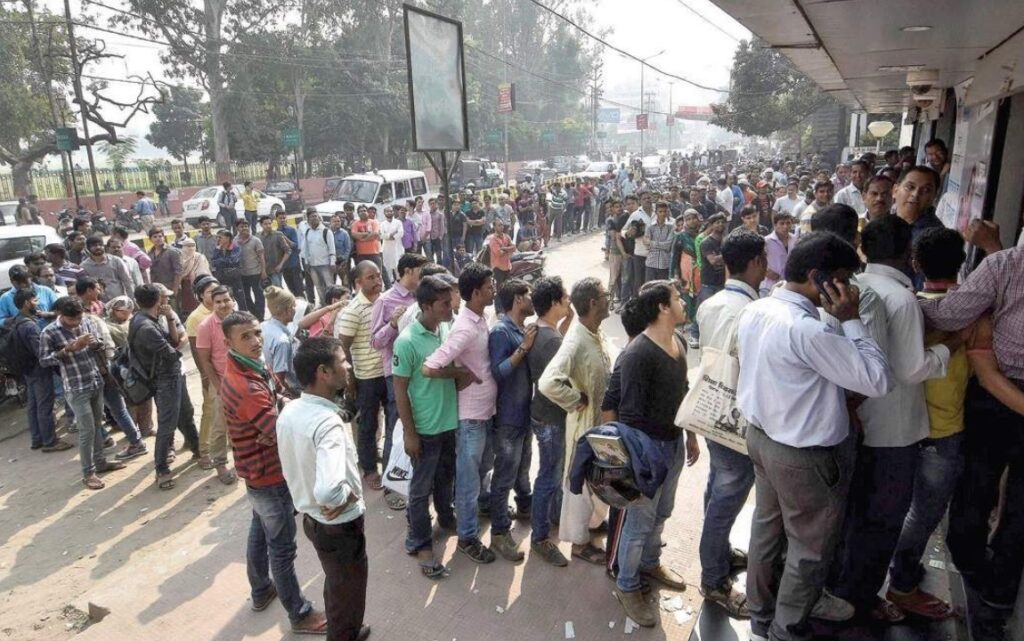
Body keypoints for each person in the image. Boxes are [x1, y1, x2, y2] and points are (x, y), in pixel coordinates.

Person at [737, 232, 893, 641]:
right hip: (803, 457)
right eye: (843, 279)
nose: (849, 289)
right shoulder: (808, 330)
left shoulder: (758, 308)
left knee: (767, 530)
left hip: (762, 439)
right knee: (808, 551)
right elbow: (877, 379)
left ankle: (760, 616)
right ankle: (786, 631)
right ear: (817, 277)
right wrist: (852, 319)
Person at [831, 214, 956, 621]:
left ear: (864, 248)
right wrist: (950, 347)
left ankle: (843, 589)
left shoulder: (853, 287)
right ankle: (863, 598)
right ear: (907, 252)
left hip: (854, 422)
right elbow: (911, 368)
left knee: (854, 515)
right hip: (895, 431)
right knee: (883, 520)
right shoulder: (901, 299)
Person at [917, 233, 1024, 631]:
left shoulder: (1005, 265)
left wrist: (900, 301)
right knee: (1010, 503)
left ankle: (979, 574)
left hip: (996, 397)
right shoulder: (1004, 264)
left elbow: (946, 315)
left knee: (977, 489)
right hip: (997, 392)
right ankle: (996, 589)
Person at [216, 311, 330, 634]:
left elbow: (276, 408)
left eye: (256, 333)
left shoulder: (250, 365)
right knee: (282, 548)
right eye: (246, 337)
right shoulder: (244, 384)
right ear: (228, 343)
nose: (256, 341)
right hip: (267, 473)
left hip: (257, 470)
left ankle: (261, 589)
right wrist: (279, 427)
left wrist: (279, 417)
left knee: (260, 527)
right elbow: (277, 430)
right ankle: (299, 613)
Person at [885, 227, 972, 619]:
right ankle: (902, 584)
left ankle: (889, 572)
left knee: (897, 507)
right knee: (923, 514)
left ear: (916, 264)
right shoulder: (971, 315)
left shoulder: (905, 309)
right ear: (962, 263)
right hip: (944, 432)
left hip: (900, 427)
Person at [600, 281, 697, 627]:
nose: (683, 302)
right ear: (662, 307)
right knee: (639, 522)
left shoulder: (678, 341)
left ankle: (651, 563)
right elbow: (627, 415)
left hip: (673, 445)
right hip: (646, 452)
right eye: (677, 298)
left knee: (662, 514)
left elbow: (683, 393)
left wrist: (691, 436)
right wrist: (632, 465)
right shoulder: (638, 354)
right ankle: (627, 585)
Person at [277, 336, 371, 641]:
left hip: (314, 521)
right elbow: (329, 492)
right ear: (323, 372)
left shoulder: (291, 410)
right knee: (349, 592)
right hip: (339, 524)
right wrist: (348, 496)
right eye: (342, 361)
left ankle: (345, 628)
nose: (348, 366)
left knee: (338, 583)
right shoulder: (327, 423)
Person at [695, 230, 766, 618]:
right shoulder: (755, 312)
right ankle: (714, 579)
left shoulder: (710, 303)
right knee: (727, 496)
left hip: (712, 407)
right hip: (737, 416)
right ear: (756, 263)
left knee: (717, 485)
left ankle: (718, 554)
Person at [422, 263, 500, 564]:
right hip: (470, 419)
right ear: (476, 292)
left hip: (486, 412)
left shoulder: (480, 318)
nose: (494, 289)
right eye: (490, 286)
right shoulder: (465, 328)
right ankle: (467, 537)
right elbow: (430, 367)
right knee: (468, 481)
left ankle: (475, 514)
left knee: (482, 471)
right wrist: (459, 373)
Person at [539, 277, 612, 565]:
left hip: (601, 423)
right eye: (605, 295)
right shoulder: (576, 340)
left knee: (599, 479)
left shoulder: (595, 332)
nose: (609, 299)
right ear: (593, 303)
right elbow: (548, 382)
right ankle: (580, 543)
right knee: (579, 484)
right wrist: (574, 399)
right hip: (584, 425)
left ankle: (593, 524)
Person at [393, 276, 459, 579]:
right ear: (426, 306)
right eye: (444, 304)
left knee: (446, 478)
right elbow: (400, 390)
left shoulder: (445, 328)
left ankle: (445, 517)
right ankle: (421, 543)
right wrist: (410, 433)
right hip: (425, 429)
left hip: (448, 423)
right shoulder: (406, 341)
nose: (450, 307)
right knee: (420, 490)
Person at [39, 296, 129, 490]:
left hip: (95, 380)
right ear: (61, 315)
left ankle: (100, 462)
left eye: (79, 318)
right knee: (87, 430)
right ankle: (88, 473)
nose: (76, 323)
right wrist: (68, 349)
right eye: (72, 320)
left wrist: (95, 344)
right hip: (75, 387)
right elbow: (44, 361)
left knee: (97, 425)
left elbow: (100, 346)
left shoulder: (87, 322)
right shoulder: (49, 332)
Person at [369, 252, 428, 510]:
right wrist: (393, 324)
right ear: (407, 271)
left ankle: (417, 479)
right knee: (396, 426)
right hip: (397, 373)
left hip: (422, 370)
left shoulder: (422, 296)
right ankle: (392, 484)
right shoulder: (385, 301)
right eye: (420, 271)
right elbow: (375, 342)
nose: (423, 277)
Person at [486, 279, 537, 562]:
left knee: (522, 469)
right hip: (507, 418)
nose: (532, 299)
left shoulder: (521, 329)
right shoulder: (501, 332)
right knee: (504, 475)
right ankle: (499, 532)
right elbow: (499, 372)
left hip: (523, 415)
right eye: (528, 294)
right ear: (517, 299)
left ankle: (525, 507)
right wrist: (524, 348)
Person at [131, 283, 201, 490]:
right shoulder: (146, 327)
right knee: (167, 423)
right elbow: (172, 350)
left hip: (171, 375)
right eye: (164, 298)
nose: (167, 300)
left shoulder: (143, 319)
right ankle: (161, 469)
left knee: (185, 412)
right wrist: (176, 344)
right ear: (157, 301)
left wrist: (170, 318)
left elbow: (173, 342)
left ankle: (197, 447)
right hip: (165, 378)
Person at [525, 277, 574, 566]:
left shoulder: (542, 331)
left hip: (542, 413)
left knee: (552, 472)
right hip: (552, 418)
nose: (569, 302)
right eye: (565, 298)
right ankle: (540, 536)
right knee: (549, 476)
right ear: (554, 303)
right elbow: (559, 379)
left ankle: (553, 517)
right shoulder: (551, 340)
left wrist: (569, 319)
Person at [335, 261, 387, 490]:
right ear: (358, 282)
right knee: (367, 425)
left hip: (388, 373)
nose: (377, 281)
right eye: (370, 277)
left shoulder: (385, 302)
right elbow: (343, 348)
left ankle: (388, 462)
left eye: (378, 275)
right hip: (366, 378)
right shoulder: (352, 311)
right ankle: (369, 469)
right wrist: (350, 380)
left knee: (391, 421)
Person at [12, 290, 73, 452]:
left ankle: (37, 439)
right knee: (45, 405)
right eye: (35, 300)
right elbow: (40, 352)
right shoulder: (30, 326)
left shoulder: (18, 321)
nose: (37, 303)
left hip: (28, 370)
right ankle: (50, 441)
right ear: (27, 303)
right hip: (39, 370)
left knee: (33, 405)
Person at [194, 285, 240, 485]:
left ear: (232, 300)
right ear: (212, 304)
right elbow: (205, 361)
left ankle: (244, 459)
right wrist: (218, 387)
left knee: (243, 423)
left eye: (226, 300)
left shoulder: (241, 320)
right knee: (220, 426)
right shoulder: (206, 326)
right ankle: (220, 463)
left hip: (244, 380)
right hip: (221, 381)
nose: (223, 305)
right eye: (218, 302)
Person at [261, 286, 301, 398]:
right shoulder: (282, 341)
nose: (295, 310)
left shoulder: (263, 326)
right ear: (287, 310)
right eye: (293, 306)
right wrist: (290, 397)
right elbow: (279, 378)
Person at [80, 235, 134, 302]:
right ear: (88, 248)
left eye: (100, 245)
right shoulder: (84, 266)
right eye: (94, 245)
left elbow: (127, 282)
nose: (98, 247)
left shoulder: (116, 261)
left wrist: (132, 300)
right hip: (99, 303)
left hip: (119, 301)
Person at [302, 210, 337, 305]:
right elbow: (306, 249)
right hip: (313, 265)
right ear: (308, 220)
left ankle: (332, 305)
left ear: (319, 218)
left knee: (329, 286)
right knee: (318, 287)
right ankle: (323, 304)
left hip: (325, 264)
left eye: (315, 216)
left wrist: (332, 262)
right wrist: (306, 262)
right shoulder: (308, 232)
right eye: (312, 217)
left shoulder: (326, 231)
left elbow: (332, 248)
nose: (314, 218)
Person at [233, 219, 266, 319]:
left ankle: (260, 316)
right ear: (237, 228)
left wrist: (263, 271)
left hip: (255, 272)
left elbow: (262, 257)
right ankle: (255, 314)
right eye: (241, 227)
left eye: (246, 226)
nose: (244, 228)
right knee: (246, 297)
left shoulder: (256, 240)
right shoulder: (234, 241)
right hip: (242, 274)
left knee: (259, 295)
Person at [697, 213, 727, 308]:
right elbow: (713, 260)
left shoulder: (726, 242)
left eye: (722, 222)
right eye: (717, 222)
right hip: (709, 284)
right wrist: (727, 254)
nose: (720, 224)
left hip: (722, 283)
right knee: (707, 309)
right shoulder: (706, 243)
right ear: (712, 225)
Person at [148, 228, 183, 307]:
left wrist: (175, 290)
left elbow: (178, 272)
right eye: (155, 237)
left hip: (171, 287)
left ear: (164, 237)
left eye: (160, 236)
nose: (158, 238)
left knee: (173, 310)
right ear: (150, 239)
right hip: (156, 289)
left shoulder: (173, 251)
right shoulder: (150, 253)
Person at [760, 212, 793, 296]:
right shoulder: (766, 241)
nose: (785, 226)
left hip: (787, 286)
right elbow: (758, 261)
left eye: (788, 223)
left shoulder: (794, 239)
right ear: (775, 225)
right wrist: (766, 272)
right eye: (782, 223)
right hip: (768, 286)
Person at [177, 237, 211, 316]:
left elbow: (203, 271)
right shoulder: (179, 257)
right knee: (186, 305)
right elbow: (178, 271)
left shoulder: (199, 257)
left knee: (197, 303)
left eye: (192, 246)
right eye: (188, 246)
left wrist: (193, 275)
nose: (190, 248)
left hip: (197, 284)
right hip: (184, 285)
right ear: (183, 247)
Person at [260, 215, 294, 290]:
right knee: (268, 292)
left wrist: (280, 265)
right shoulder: (258, 236)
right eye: (265, 224)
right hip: (263, 270)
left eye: (269, 223)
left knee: (278, 290)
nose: (268, 226)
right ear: (261, 225)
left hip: (275, 269)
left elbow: (288, 251)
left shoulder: (278, 235)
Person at [643, 201, 675, 282]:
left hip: (665, 264)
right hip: (651, 263)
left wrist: (651, 242)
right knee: (650, 287)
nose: (663, 214)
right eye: (660, 211)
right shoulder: (650, 226)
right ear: (656, 212)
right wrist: (651, 243)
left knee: (662, 288)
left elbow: (668, 246)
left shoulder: (671, 227)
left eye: (665, 211)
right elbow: (646, 245)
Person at [486, 220, 515, 309]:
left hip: (507, 266)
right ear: (494, 227)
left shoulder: (506, 236)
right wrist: (508, 249)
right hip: (498, 267)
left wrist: (504, 248)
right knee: (499, 290)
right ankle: (499, 309)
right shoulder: (493, 239)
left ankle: (506, 307)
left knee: (508, 288)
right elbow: (499, 253)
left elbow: (514, 247)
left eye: (502, 225)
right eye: (499, 225)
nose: (501, 227)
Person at [274, 210, 303, 297]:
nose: (282, 220)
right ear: (276, 219)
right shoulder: (276, 232)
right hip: (284, 266)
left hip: (294, 264)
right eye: (280, 218)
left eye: (284, 218)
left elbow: (295, 245)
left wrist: (284, 237)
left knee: (299, 288)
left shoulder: (291, 230)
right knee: (291, 288)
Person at [379, 207, 404, 285]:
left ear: (393, 212)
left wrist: (390, 236)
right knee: (388, 268)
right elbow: (381, 235)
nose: (389, 213)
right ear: (384, 213)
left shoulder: (398, 222)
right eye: (387, 211)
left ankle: (400, 285)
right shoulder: (382, 224)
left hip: (397, 248)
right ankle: (390, 285)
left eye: (391, 211)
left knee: (398, 268)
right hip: (387, 249)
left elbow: (400, 233)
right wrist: (391, 234)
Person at [329, 214, 352, 290]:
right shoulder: (327, 233)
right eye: (335, 221)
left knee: (346, 283)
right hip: (330, 262)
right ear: (330, 222)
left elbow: (348, 248)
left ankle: (347, 295)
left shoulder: (344, 233)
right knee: (331, 283)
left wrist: (344, 260)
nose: (337, 223)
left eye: (338, 221)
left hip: (342, 262)